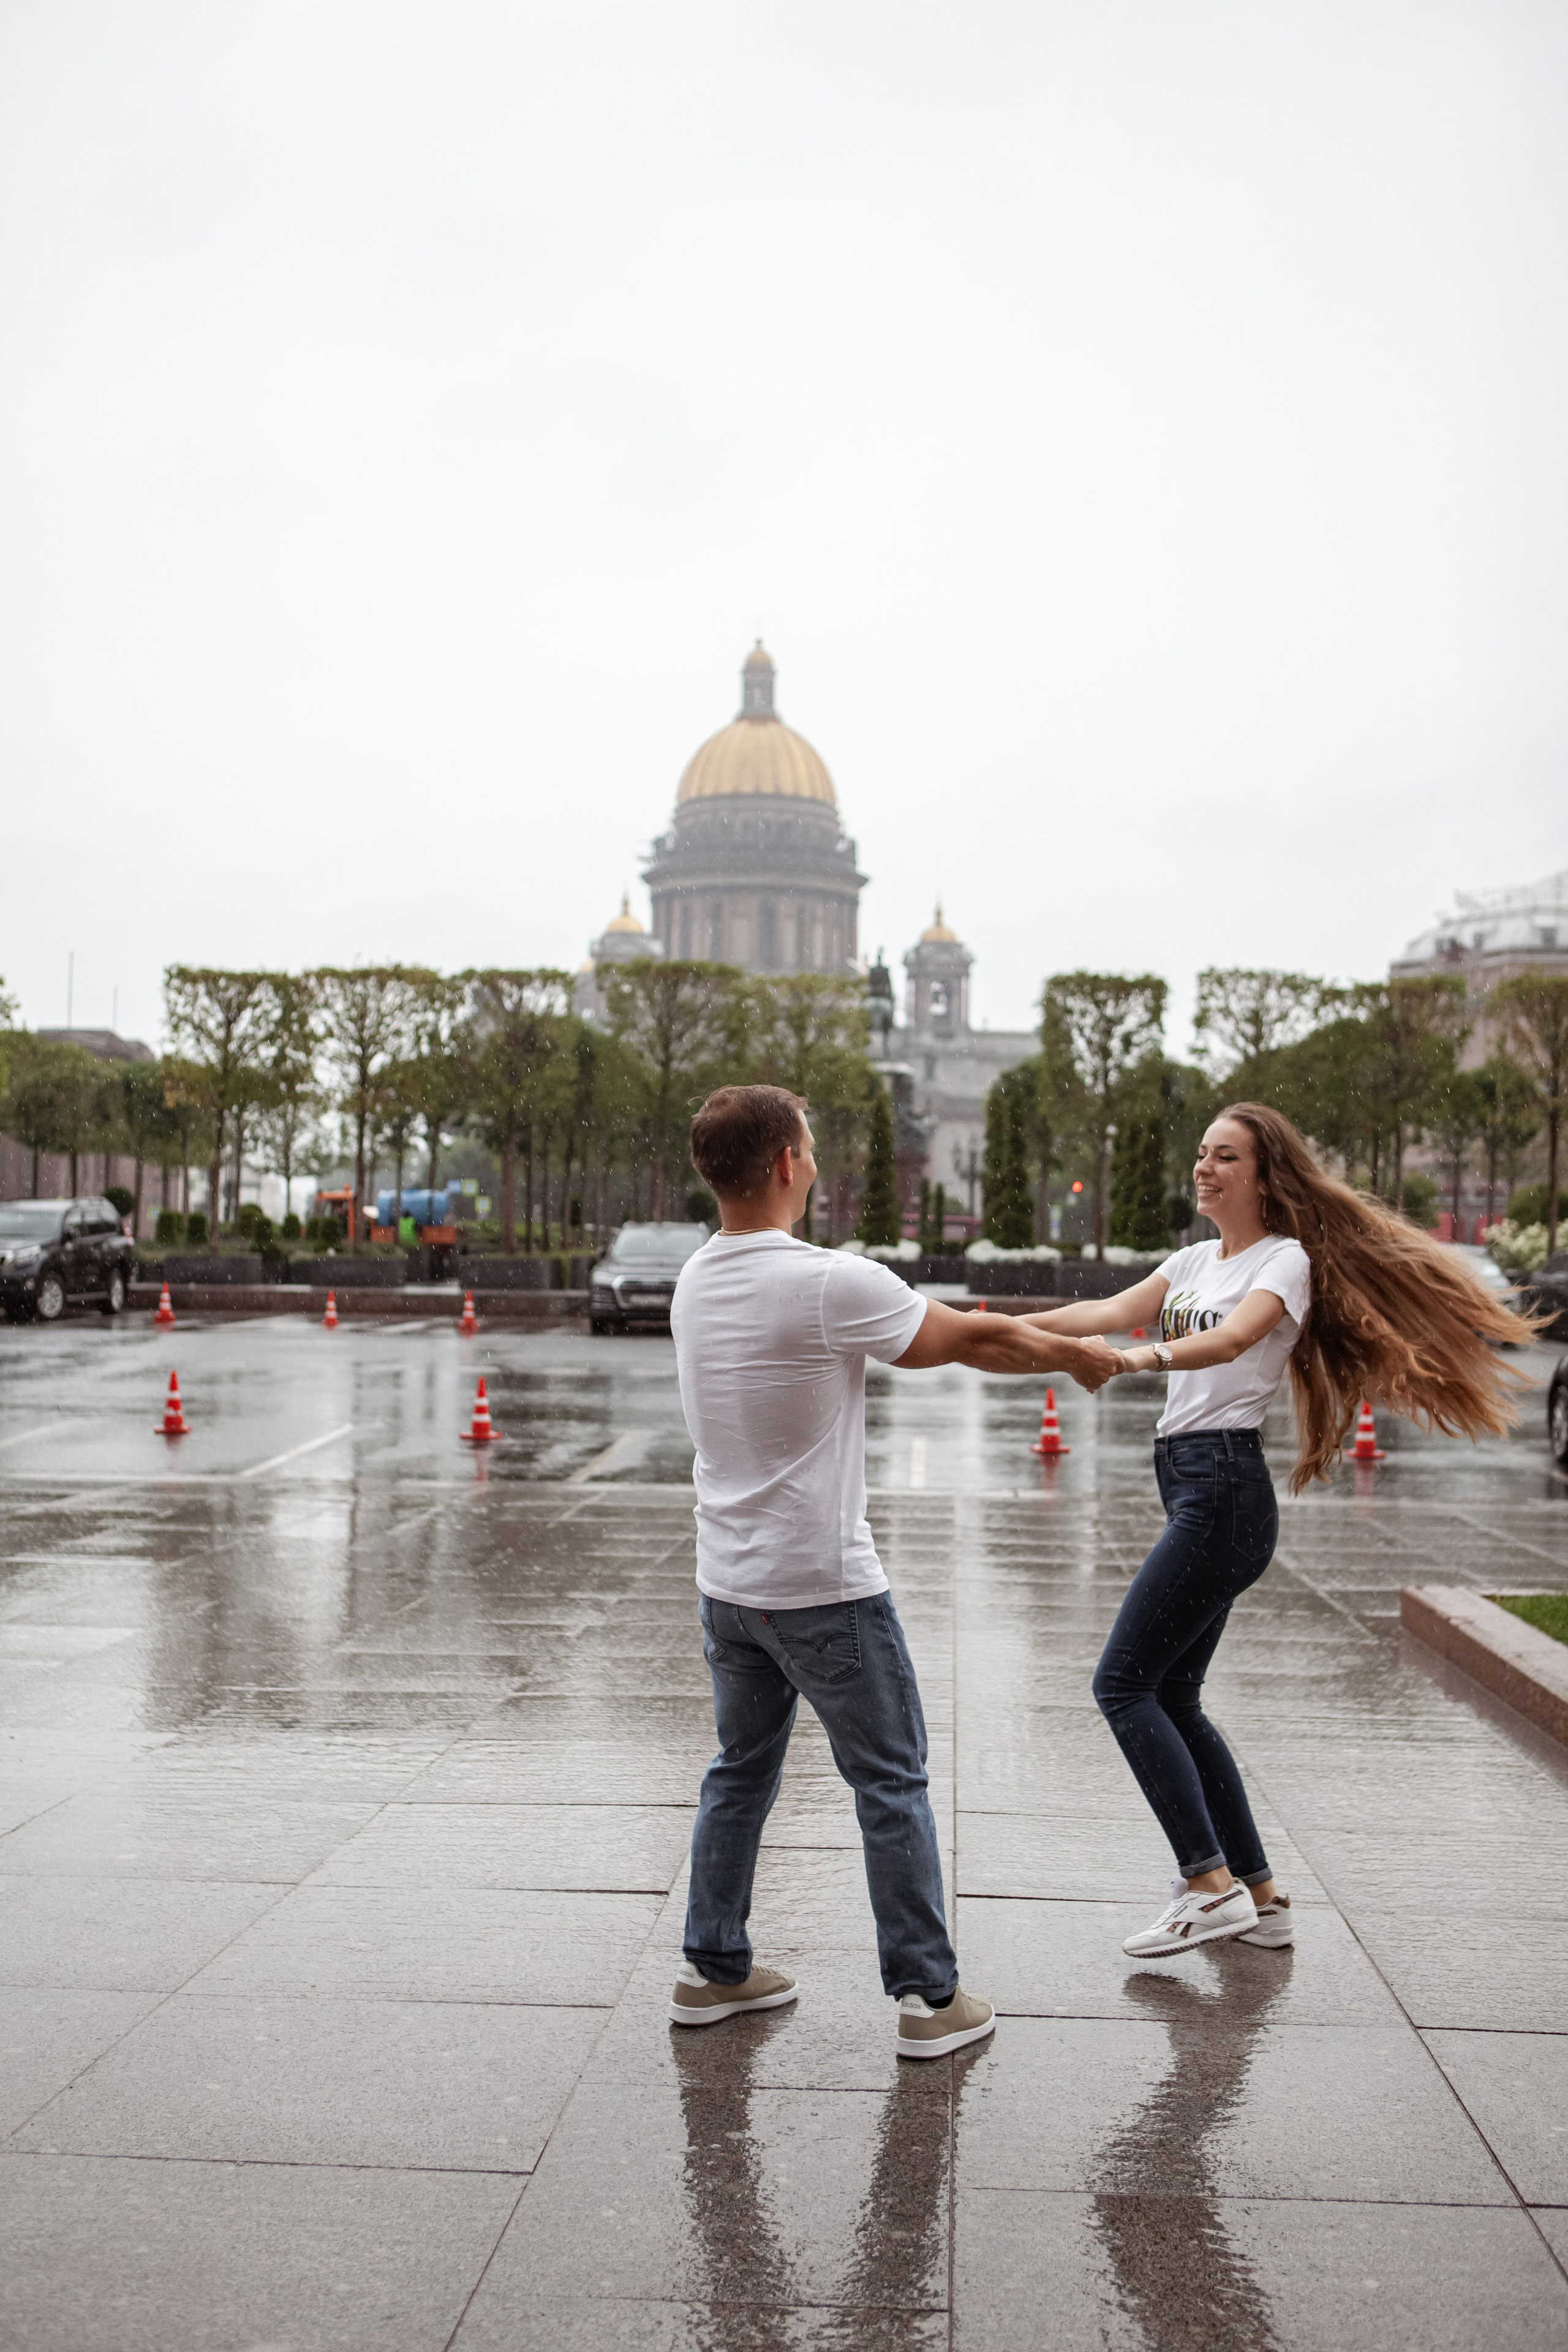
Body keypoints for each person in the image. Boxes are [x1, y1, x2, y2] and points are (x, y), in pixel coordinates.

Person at [668, 1084, 1120, 2057]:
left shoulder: (696, 1276)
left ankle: (715, 1969)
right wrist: (1076, 1358)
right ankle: (927, 1997)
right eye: (812, 1147)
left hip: (730, 1588)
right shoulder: (829, 1281)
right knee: (891, 1782)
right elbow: (971, 1340)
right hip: (823, 1587)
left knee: (739, 1775)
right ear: (786, 1164)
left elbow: (965, 1331)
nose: (819, 1162)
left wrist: (1051, 1338)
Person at [1025, 1100, 1528, 1960]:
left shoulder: (1284, 1262)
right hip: (1194, 1485)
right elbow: (1107, 1310)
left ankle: (1206, 1885)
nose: (1205, 1167)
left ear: (1263, 1175)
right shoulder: (1190, 1259)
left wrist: (1140, 1359)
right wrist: (991, 1334)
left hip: (1222, 1491)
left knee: (1122, 1686)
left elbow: (1232, 1341)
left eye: (1226, 1156)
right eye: (1202, 1153)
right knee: (1173, 1695)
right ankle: (1261, 1895)